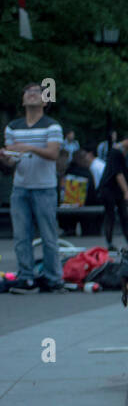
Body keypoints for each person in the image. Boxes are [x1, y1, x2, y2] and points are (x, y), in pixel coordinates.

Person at [2, 82, 65, 293]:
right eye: (27, 92)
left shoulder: (52, 126)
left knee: (48, 235)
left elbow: (53, 154)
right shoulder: (13, 127)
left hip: (45, 187)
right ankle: (26, 277)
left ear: (45, 101)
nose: (31, 95)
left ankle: (53, 278)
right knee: (21, 235)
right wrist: (6, 158)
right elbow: (13, 161)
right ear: (22, 100)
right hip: (20, 187)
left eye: (36, 92)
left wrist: (27, 147)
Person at [99, 131, 128, 249]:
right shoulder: (115, 152)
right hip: (109, 188)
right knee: (110, 215)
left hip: (119, 189)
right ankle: (109, 243)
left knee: (124, 215)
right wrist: (127, 192)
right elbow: (118, 173)